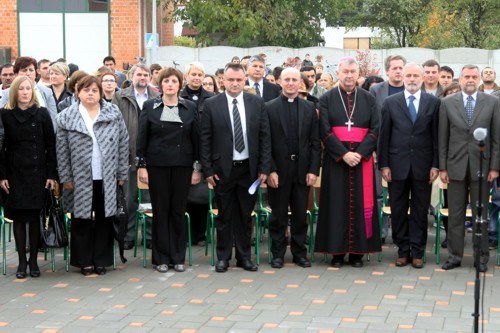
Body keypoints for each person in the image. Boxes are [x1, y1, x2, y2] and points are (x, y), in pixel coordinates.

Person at [200, 63, 271, 273]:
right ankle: (223, 257)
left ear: (244, 80)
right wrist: (208, 170)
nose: (234, 83)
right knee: (224, 215)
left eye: (239, 80)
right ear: (223, 80)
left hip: (248, 169)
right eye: (230, 80)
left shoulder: (256, 103)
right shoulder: (212, 104)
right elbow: (204, 139)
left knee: (244, 214)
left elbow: (265, 137)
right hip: (222, 170)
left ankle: (244, 257)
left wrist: (264, 167)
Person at [56, 75, 129, 276]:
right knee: (81, 218)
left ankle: (101, 260)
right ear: (78, 92)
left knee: (105, 217)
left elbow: (124, 143)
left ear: (100, 93)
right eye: (86, 90)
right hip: (79, 177)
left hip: (106, 175)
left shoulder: (112, 113)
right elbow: (61, 150)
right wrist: (66, 177)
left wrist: (121, 172)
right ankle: (83, 261)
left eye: (94, 90)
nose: (90, 94)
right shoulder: (66, 116)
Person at [315, 57, 381, 268]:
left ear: (358, 74)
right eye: (345, 71)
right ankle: (336, 252)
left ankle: (357, 253)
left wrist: (360, 154)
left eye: (353, 71)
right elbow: (324, 131)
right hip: (336, 161)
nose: (349, 75)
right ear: (338, 73)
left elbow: (375, 129)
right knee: (336, 205)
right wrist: (343, 154)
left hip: (362, 161)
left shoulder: (369, 98)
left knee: (362, 204)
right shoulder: (326, 98)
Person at [136, 67, 200, 273]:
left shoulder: (190, 107)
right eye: (166, 81)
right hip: (157, 166)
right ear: (160, 84)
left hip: (182, 165)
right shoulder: (150, 106)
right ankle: (161, 258)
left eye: (174, 81)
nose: (170, 84)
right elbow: (142, 138)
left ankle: (178, 257)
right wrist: (142, 165)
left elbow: (196, 139)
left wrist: (196, 168)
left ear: (180, 84)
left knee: (178, 211)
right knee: (161, 212)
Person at [378, 63, 440, 269]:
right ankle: (403, 250)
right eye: (408, 75)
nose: (412, 79)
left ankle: (418, 251)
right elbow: (384, 136)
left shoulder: (433, 102)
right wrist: (384, 164)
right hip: (397, 165)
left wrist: (435, 165)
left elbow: (436, 137)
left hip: (423, 166)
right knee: (398, 209)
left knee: (420, 211)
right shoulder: (390, 102)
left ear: (422, 78)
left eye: (416, 75)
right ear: (402, 77)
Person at [439, 64, 500, 273]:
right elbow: (443, 137)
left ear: (479, 78)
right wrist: (443, 168)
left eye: (474, 76)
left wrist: (495, 167)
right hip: (455, 167)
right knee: (455, 215)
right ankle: (455, 256)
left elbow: (496, 138)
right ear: (460, 79)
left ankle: (481, 257)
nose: (471, 80)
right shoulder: (447, 103)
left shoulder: (492, 102)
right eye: (467, 76)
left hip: (482, 168)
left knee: (480, 215)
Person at [0, 76, 57, 279]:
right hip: (14, 173)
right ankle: (22, 262)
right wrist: (2, 175)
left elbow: (51, 146)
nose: (25, 92)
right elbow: (1, 148)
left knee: (34, 218)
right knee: (18, 218)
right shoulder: (5, 115)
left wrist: (51, 174)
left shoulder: (41, 113)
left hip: (37, 173)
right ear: (15, 92)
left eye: (28, 88)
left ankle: (33, 261)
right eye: (21, 89)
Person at [266, 68, 321, 269]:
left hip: (302, 170)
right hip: (278, 171)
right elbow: (266, 143)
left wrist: (314, 170)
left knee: (300, 215)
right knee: (278, 216)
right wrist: (270, 170)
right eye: (287, 79)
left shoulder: (309, 108)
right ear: (280, 82)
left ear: (300, 83)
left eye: (294, 80)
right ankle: (278, 254)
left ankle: (299, 254)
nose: (290, 83)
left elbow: (315, 143)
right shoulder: (269, 108)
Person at [112, 63, 159, 250]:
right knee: (129, 200)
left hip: (151, 157)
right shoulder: (120, 97)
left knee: (149, 199)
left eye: (146, 74)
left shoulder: (157, 97)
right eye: (139, 74)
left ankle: (149, 236)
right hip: (127, 155)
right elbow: (114, 126)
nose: (143, 77)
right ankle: (128, 236)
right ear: (131, 77)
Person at [180, 62, 215, 246]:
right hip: (185, 152)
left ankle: (201, 234)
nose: (197, 78)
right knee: (185, 196)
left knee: (201, 196)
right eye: (193, 74)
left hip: (204, 151)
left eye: (200, 75)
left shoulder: (211, 98)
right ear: (186, 76)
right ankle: (185, 235)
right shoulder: (179, 96)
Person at [0, 57, 57, 129]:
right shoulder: (7, 93)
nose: (28, 73)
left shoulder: (47, 92)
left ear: (36, 73)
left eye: (31, 70)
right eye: (24, 70)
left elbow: (53, 118)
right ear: (16, 74)